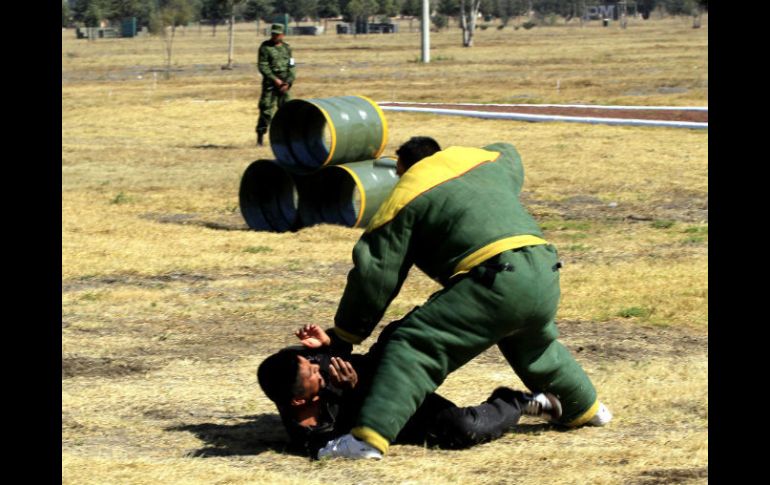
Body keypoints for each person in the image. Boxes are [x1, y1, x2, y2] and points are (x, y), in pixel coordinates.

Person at [315, 137, 613, 459]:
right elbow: (509, 152)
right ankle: (585, 408)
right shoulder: (483, 163)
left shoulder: (406, 194)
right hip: (544, 267)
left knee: (414, 344)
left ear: (404, 168)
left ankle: (366, 441)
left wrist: (346, 334)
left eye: (400, 173)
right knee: (535, 347)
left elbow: (376, 274)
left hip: (495, 276)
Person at [257, 324, 562, 459]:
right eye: (311, 372)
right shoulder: (312, 436)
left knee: (402, 333)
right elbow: (358, 438)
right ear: (298, 400)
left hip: (384, 365)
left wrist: (330, 342)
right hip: (394, 409)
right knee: (462, 428)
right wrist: (353, 391)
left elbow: (335, 350)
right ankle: (516, 402)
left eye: (312, 361)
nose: (317, 366)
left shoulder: (294, 364)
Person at [255, 23, 295, 147]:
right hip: (270, 84)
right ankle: (260, 137)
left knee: (288, 111)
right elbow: (263, 66)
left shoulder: (287, 48)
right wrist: (275, 80)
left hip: (284, 85)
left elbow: (292, 66)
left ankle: (286, 138)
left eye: (277, 34)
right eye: (273, 34)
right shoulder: (265, 47)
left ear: (282, 35)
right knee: (266, 110)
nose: (275, 36)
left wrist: (288, 82)